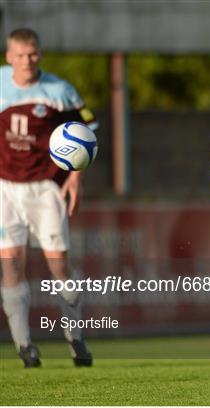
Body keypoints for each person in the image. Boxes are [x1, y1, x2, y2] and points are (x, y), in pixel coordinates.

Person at [0, 28, 96, 368]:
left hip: (46, 189)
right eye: (21, 55)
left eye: (33, 54)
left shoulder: (59, 91)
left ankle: (76, 338)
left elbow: (88, 129)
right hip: (5, 189)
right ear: (9, 56)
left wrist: (75, 177)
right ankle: (25, 346)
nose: (28, 60)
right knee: (11, 264)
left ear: (39, 54)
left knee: (59, 266)